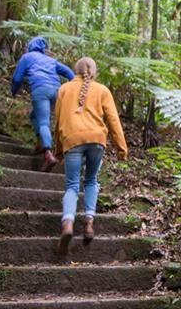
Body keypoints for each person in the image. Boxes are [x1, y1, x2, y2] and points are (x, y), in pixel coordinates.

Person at [53, 57, 127, 253]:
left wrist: (58, 149)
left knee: (71, 185)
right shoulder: (102, 90)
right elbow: (113, 120)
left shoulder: (64, 89)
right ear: (94, 71)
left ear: (75, 71)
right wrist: (121, 148)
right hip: (96, 140)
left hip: (72, 139)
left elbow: (58, 120)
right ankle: (88, 223)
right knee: (91, 180)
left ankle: (68, 224)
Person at [11, 37, 74, 172]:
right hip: (57, 92)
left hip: (41, 90)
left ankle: (48, 155)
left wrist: (13, 92)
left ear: (30, 46)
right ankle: (40, 144)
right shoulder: (51, 60)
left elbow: (17, 78)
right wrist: (71, 87)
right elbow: (70, 73)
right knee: (34, 115)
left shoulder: (27, 57)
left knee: (43, 122)